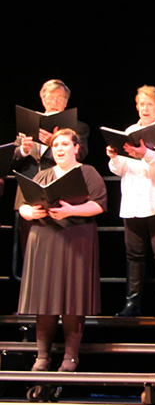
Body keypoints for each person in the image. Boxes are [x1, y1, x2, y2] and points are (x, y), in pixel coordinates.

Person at [18, 129, 107, 372]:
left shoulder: (87, 172)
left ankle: (70, 356)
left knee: (73, 298)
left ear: (76, 148)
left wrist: (71, 211)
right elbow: (23, 207)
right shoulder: (42, 174)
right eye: (56, 145)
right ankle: (42, 357)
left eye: (65, 144)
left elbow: (98, 205)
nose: (59, 149)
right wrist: (30, 212)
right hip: (44, 239)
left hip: (76, 240)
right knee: (44, 299)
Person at [109, 85, 155, 317]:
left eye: (150, 104)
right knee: (134, 255)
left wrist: (145, 154)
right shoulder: (130, 130)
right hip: (132, 201)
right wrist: (114, 157)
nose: (144, 108)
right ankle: (132, 304)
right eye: (141, 104)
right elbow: (121, 169)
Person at [12, 80, 90, 273]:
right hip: (28, 191)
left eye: (59, 98)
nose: (54, 101)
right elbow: (12, 159)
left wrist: (54, 143)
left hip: (59, 190)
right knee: (28, 246)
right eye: (50, 97)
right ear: (42, 99)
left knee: (57, 247)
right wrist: (23, 150)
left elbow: (82, 154)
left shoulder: (77, 127)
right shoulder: (27, 124)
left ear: (66, 102)